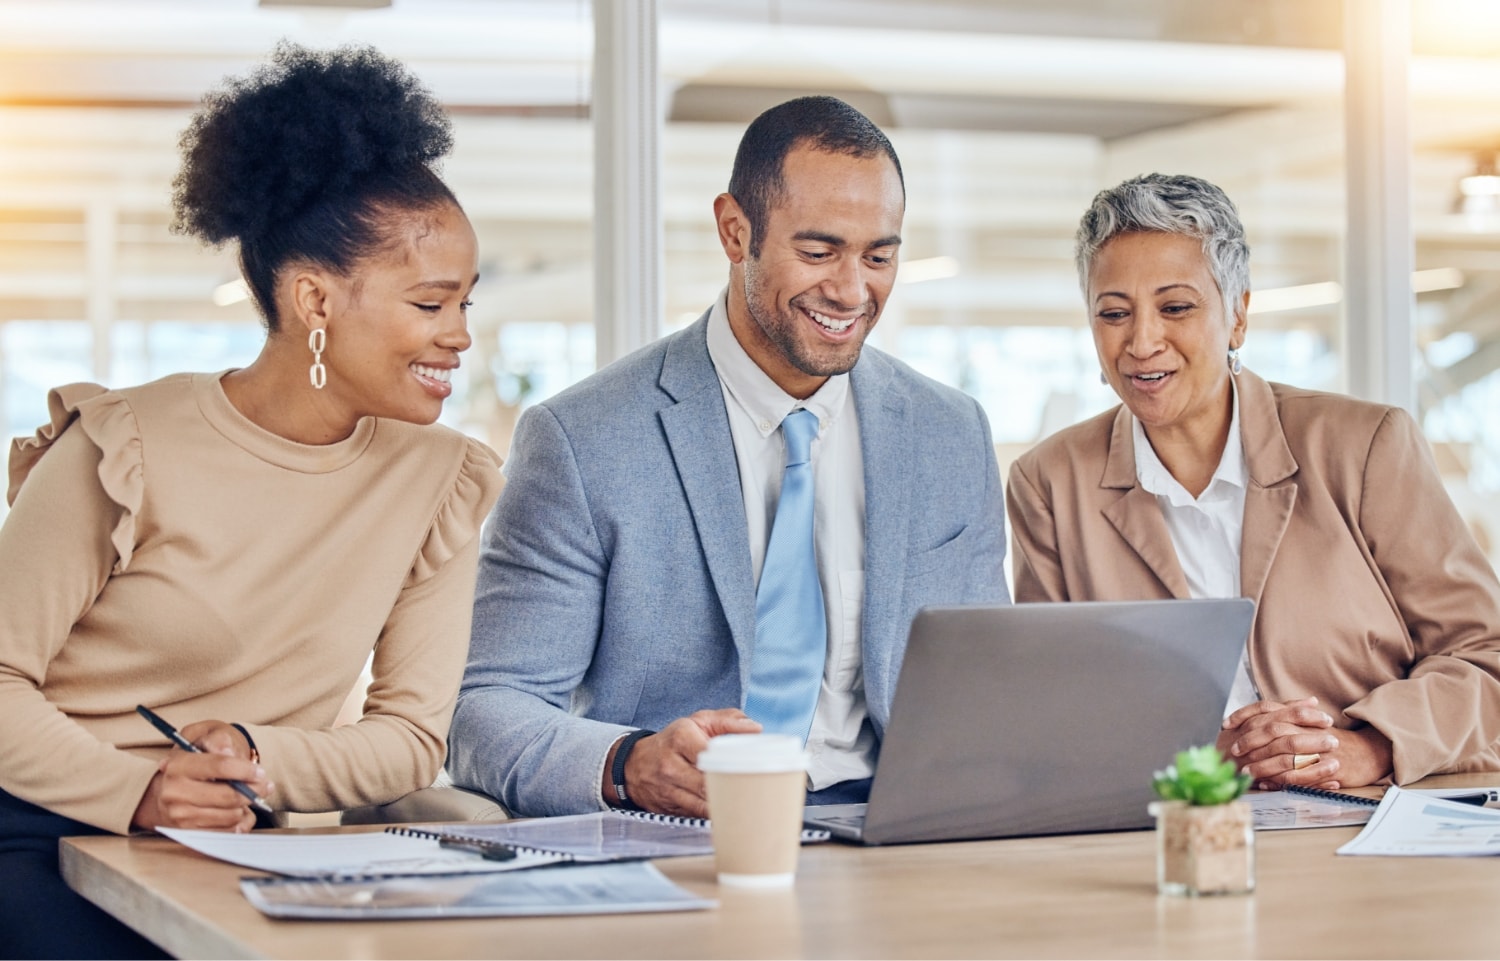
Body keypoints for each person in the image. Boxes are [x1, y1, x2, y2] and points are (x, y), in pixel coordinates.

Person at [0, 44, 502, 958]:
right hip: (44, 832)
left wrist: (259, 754)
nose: (461, 336)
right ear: (314, 298)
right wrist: (136, 790)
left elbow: (409, 736)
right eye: (432, 305)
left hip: (245, 845)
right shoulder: (122, 448)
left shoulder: (442, 479)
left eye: (467, 302)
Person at [448, 96, 1008, 819]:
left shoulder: (950, 433)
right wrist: (628, 762)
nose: (851, 289)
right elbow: (487, 708)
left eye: (879, 256)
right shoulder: (583, 440)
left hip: (899, 827)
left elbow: (989, 687)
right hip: (682, 833)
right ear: (734, 230)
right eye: (818, 251)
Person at [1007, 173, 1500, 792]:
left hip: (1372, 809)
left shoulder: (1364, 446)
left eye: (1176, 307)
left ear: (1237, 315)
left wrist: (1369, 748)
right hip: (1170, 817)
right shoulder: (1048, 484)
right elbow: (1054, 704)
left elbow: (1486, 655)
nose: (1142, 341)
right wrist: (1197, 751)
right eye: (1113, 313)